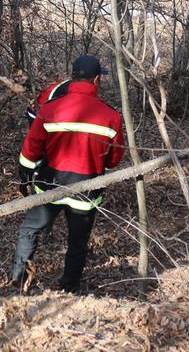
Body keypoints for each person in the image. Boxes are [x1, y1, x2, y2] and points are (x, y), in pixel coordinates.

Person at [11, 55, 124, 294]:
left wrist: (25, 175)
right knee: (77, 243)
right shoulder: (111, 116)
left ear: (72, 76)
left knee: (30, 230)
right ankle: (69, 289)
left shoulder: (50, 109)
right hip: (87, 190)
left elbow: (31, 149)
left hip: (48, 186)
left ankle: (19, 282)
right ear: (96, 79)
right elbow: (114, 158)